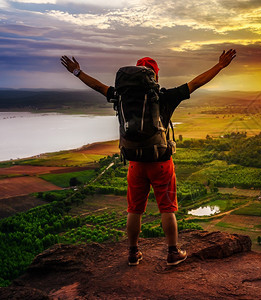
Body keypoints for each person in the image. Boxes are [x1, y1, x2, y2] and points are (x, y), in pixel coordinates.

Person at [60, 49, 236, 266]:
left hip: (135, 162)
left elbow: (97, 86)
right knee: (167, 208)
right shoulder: (163, 96)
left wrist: (77, 71)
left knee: (134, 209)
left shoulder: (121, 95)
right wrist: (219, 66)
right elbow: (195, 83)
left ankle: (133, 254)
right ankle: (173, 253)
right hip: (161, 161)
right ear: (155, 76)